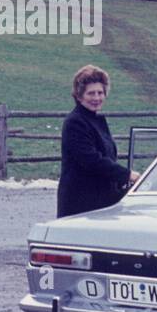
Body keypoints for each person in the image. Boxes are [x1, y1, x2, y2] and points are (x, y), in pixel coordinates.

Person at [57, 64, 140, 218]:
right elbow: (91, 160)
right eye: (91, 93)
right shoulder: (75, 122)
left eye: (100, 93)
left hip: (102, 199)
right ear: (79, 95)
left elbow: (108, 156)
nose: (96, 98)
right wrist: (128, 174)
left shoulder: (98, 119)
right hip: (81, 202)